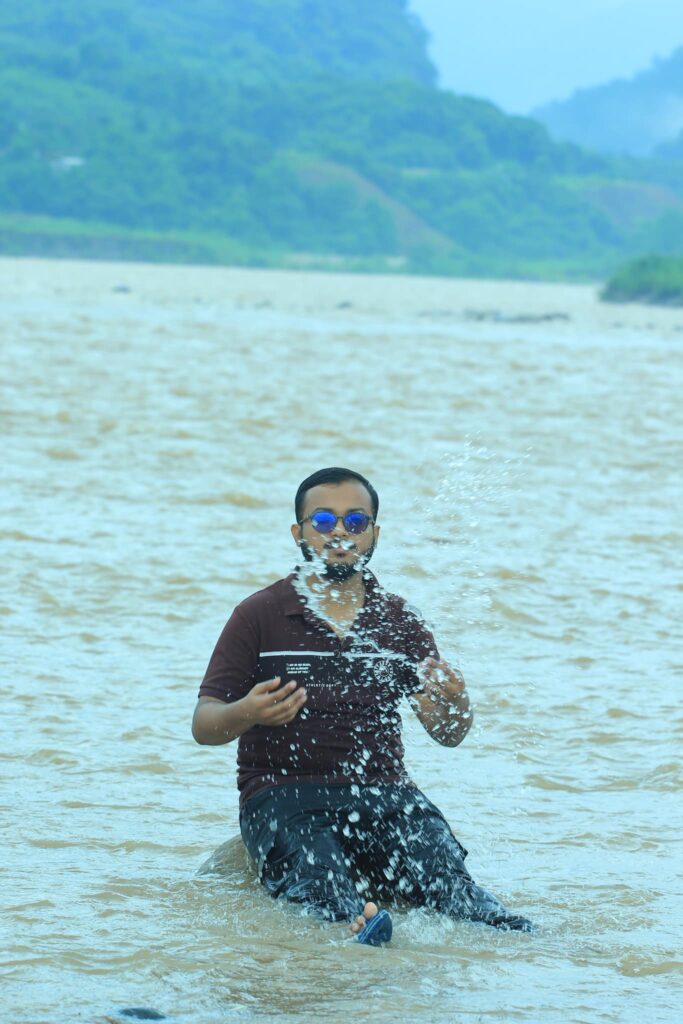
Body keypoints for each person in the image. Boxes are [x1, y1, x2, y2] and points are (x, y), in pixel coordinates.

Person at [192, 467, 533, 945]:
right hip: (285, 795)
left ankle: (534, 947)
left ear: (374, 532)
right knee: (323, 897)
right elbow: (205, 724)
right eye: (324, 520)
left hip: (386, 795)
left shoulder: (400, 621)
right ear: (299, 533)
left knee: (457, 894)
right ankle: (356, 942)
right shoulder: (260, 614)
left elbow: (448, 733)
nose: (339, 533)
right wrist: (247, 711)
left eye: (355, 522)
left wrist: (457, 701)